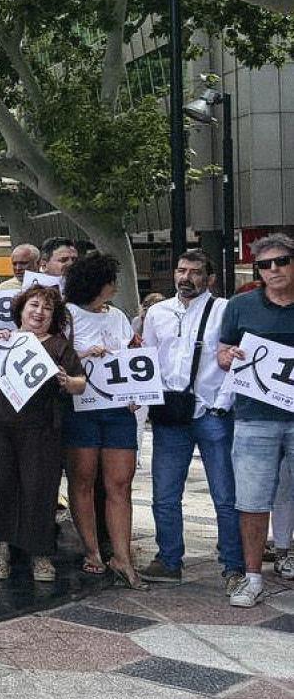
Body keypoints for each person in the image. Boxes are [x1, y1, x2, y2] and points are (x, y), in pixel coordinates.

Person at [138, 251, 241, 589]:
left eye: (195, 272)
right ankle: (169, 559)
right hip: (172, 413)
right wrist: (150, 403)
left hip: (213, 411)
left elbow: (236, 360)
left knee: (225, 495)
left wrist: (222, 403)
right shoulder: (157, 312)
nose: (186, 277)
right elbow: (150, 362)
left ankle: (233, 563)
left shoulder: (224, 310)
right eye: (182, 271)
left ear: (209, 278)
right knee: (165, 494)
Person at [0, 287, 87, 580]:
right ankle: (0, 550)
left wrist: (65, 380)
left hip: (40, 429)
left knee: (39, 489)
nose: (39, 312)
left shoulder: (60, 345)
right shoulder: (4, 338)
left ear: (54, 316)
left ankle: (40, 553)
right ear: (21, 310)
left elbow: (80, 384)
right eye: (33, 305)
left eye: (47, 309)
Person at [216, 232, 294, 608]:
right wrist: (227, 356)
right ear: (257, 270)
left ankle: (286, 552)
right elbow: (221, 353)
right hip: (253, 419)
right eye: (265, 264)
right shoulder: (240, 306)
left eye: (282, 261)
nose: (274, 269)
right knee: (251, 501)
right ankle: (251, 578)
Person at [61, 252, 144, 589]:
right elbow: (54, 356)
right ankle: (93, 550)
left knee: (120, 483)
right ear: (98, 284)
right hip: (80, 409)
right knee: (82, 481)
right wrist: (82, 354)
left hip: (117, 410)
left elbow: (132, 358)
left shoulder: (119, 317)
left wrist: (139, 391)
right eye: (111, 280)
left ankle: (121, 555)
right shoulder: (67, 317)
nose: (114, 286)